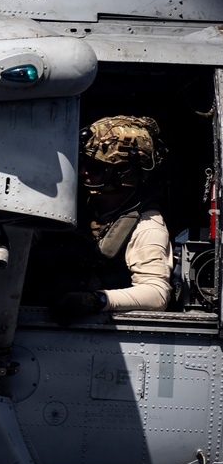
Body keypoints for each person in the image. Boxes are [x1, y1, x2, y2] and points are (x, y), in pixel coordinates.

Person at [53, 115, 173, 321]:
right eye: (83, 163)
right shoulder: (72, 205)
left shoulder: (148, 225)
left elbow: (157, 294)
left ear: (123, 173)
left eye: (95, 167)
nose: (83, 172)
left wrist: (96, 300)